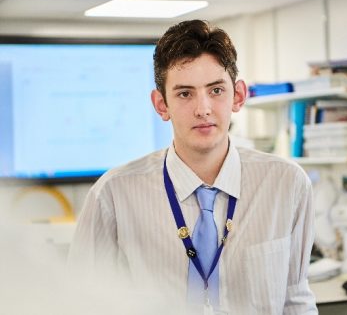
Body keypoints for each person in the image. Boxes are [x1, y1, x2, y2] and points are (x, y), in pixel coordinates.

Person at [68, 19, 317, 314]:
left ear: (238, 95)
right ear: (161, 105)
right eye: (185, 93)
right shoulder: (113, 195)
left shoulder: (286, 184)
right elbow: (81, 304)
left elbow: (295, 299)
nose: (203, 109)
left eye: (215, 90)